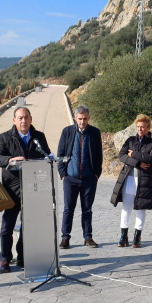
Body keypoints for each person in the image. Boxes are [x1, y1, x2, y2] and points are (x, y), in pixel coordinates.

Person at [0, 106, 51, 273]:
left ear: (31, 119)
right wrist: (10, 160)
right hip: (12, 188)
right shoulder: (4, 137)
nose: (23, 121)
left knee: (29, 225)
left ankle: (22, 256)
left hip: (33, 187)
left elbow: (46, 155)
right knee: (7, 226)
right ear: (14, 120)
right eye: (20, 118)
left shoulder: (39, 137)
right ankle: (4, 258)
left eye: (26, 117)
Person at [111, 114, 152, 248]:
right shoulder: (130, 140)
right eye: (138, 126)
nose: (140, 129)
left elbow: (150, 159)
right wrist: (137, 162)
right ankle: (123, 237)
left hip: (144, 181)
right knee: (126, 208)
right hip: (129, 180)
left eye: (142, 127)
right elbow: (122, 155)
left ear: (148, 127)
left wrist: (133, 154)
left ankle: (137, 238)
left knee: (140, 209)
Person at [57, 105, 103, 249]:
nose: (82, 121)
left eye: (85, 119)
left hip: (89, 179)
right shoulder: (67, 132)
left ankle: (88, 237)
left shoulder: (95, 133)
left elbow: (98, 155)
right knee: (68, 209)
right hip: (70, 178)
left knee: (87, 209)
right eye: (80, 119)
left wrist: (96, 174)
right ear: (75, 118)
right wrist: (63, 174)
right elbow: (61, 154)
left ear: (88, 118)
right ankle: (65, 237)